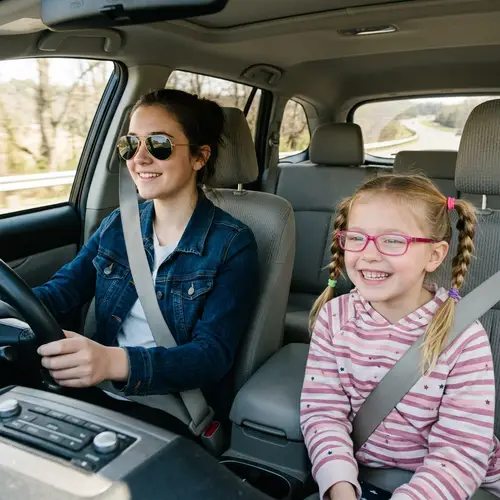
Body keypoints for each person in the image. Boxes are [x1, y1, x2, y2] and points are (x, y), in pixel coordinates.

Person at [31, 89, 259, 436]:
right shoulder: (117, 225)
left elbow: (211, 355)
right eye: (130, 145)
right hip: (98, 387)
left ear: (199, 157)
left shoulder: (232, 244)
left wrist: (112, 362)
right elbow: (60, 292)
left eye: (159, 145)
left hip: (174, 407)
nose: (139, 159)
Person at [300, 174, 500, 499]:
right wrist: (339, 486)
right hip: (361, 475)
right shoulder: (334, 318)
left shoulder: (463, 336)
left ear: (434, 256)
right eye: (356, 238)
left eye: (393, 241)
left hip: (455, 485)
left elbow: (460, 452)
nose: (369, 254)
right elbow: (323, 412)